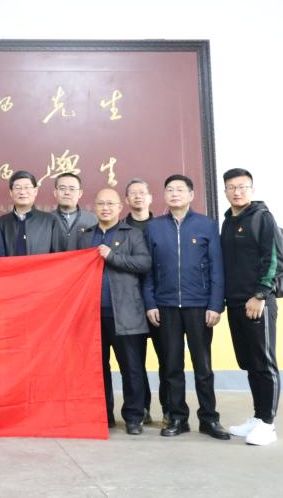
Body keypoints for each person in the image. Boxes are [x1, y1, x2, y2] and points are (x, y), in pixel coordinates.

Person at [143, 174, 230, 440]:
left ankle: (209, 419)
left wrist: (215, 305)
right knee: (171, 367)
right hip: (166, 306)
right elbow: (148, 270)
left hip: (199, 306)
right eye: (170, 189)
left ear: (191, 195)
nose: (175, 194)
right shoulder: (154, 227)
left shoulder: (206, 225)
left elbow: (217, 268)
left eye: (180, 190)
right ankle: (177, 418)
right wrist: (150, 302)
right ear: (164, 196)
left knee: (203, 367)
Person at [77, 188, 151, 435]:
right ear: (94, 208)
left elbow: (144, 263)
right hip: (92, 314)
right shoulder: (86, 236)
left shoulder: (133, 234)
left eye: (110, 204)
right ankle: (103, 415)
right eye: (101, 204)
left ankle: (134, 417)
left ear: (120, 207)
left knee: (131, 368)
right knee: (98, 368)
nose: (105, 208)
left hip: (126, 312)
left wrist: (112, 256)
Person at [220, 168, 281, 446]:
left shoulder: (262, 217)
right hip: (235, 302)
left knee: (264, 362)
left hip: (257, 301)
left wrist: (260, 294)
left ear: (252, 190)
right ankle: (257, 418)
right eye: (232, 187)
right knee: (249, 362)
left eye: (243, 187)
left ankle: (268, 424)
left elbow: (272, 258)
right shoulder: (228, 221)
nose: (237, 192)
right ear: (225, 191)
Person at [124, 178, 165, 425]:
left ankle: (170, 410)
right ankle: (142, 409)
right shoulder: (120, 229)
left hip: (160, 302)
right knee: (134, 362)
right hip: (129, 304)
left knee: (167, 358)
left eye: (142, 192)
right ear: (126, 200)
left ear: (150, 198)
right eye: (133, 193)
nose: (138, 197)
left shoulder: (161, 227)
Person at [0, 171, 62, 256]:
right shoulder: (0, 223)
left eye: (27, 187)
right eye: (18, 188)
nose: (22, 192)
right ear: (11, 192)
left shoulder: (50, 221)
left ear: (35, 191)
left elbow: (58, 256)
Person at [51, 172, 98, 251]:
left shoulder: (92, 219)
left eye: (72, 189)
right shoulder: (46, 220)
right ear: (55, 193)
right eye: (62, 188)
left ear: (80, 193)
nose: (67, 192)